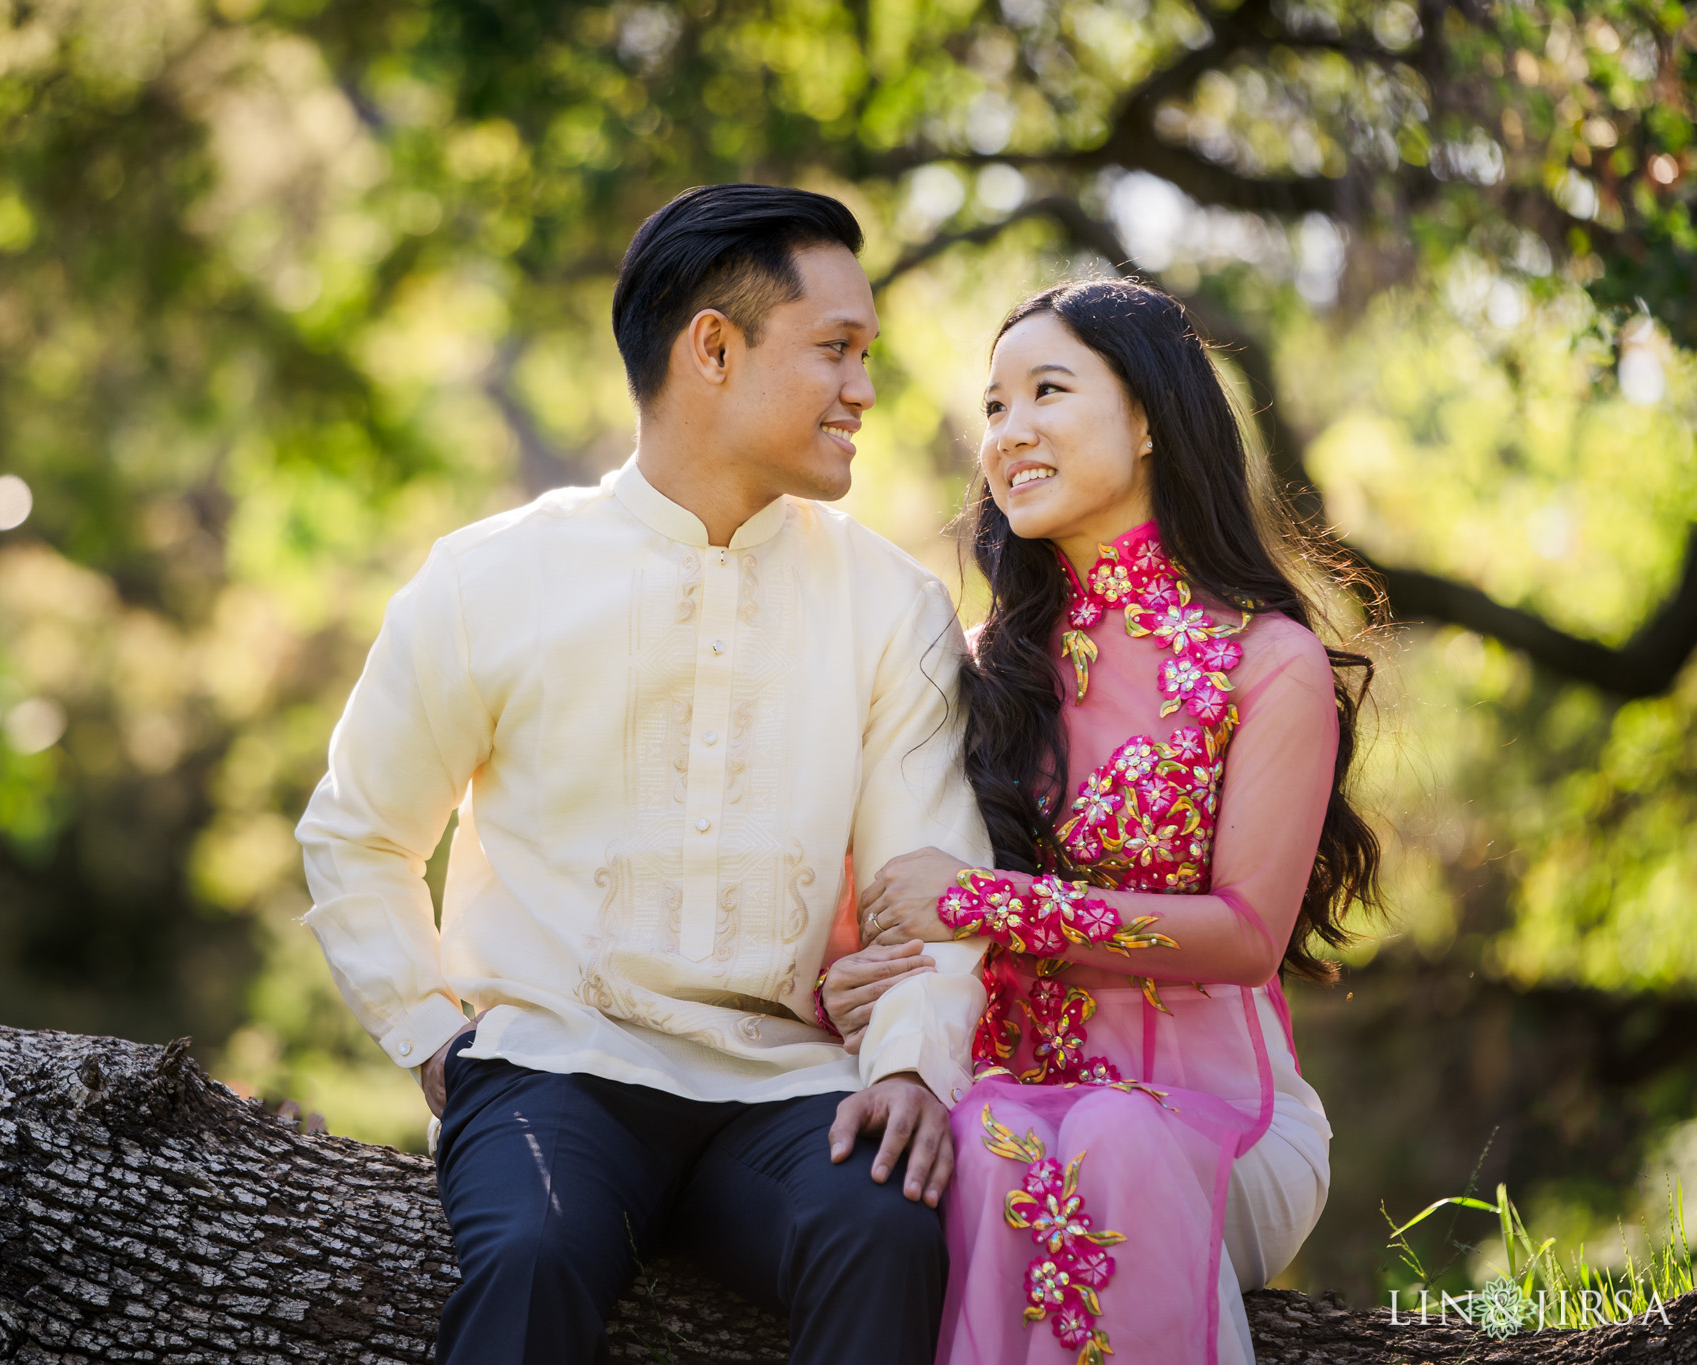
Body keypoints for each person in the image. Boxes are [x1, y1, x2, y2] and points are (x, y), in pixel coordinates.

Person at [294, 184, 996, 1365]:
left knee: (886, 1231)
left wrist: (914, 1066)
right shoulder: (487, 579)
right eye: (835, 350)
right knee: (530, 1258)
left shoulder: (894, 609)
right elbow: (356, 833)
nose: (863, 391)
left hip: (784, 1090)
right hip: (553, 1073)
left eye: (864, 354)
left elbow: (928, 888)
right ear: (711, 348)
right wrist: (429, 1033)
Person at [823, 279, 1381, 1365]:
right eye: (991, 407)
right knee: (986, 1147)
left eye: (1044, 391)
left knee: (1113, 1137)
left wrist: (988, 902)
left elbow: (1244, 938)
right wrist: (846, 986)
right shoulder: (971, 669)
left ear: (1144, 421)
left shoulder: (1264, 661)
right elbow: (881, 913)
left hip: (1221, 1124)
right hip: (1007, 1104)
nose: (1006, 431)